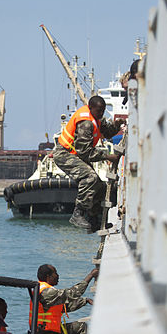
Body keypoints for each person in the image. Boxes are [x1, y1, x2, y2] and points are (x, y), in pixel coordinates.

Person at [53, 94, 124, 232]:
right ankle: (78, 213)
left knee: (99, 185)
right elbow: (85, 152)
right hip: (64, 154)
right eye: (99, 111)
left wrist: (116, 125)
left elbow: (107, 132)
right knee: (89, 178)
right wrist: (107, 156)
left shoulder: (97, 118)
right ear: (91, 108)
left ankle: (94, 221)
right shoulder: (86, 123)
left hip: (76, 155)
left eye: (103, 111)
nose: (101, 113)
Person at [30, 264, 98, 334]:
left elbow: (64, 307)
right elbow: (72, 293)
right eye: (55, 273)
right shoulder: (46, 292)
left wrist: (85, 301)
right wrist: (90, 275)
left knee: (81, 327)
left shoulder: (45, 290)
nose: (58, 276)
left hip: (55, 332)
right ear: (48, 277)